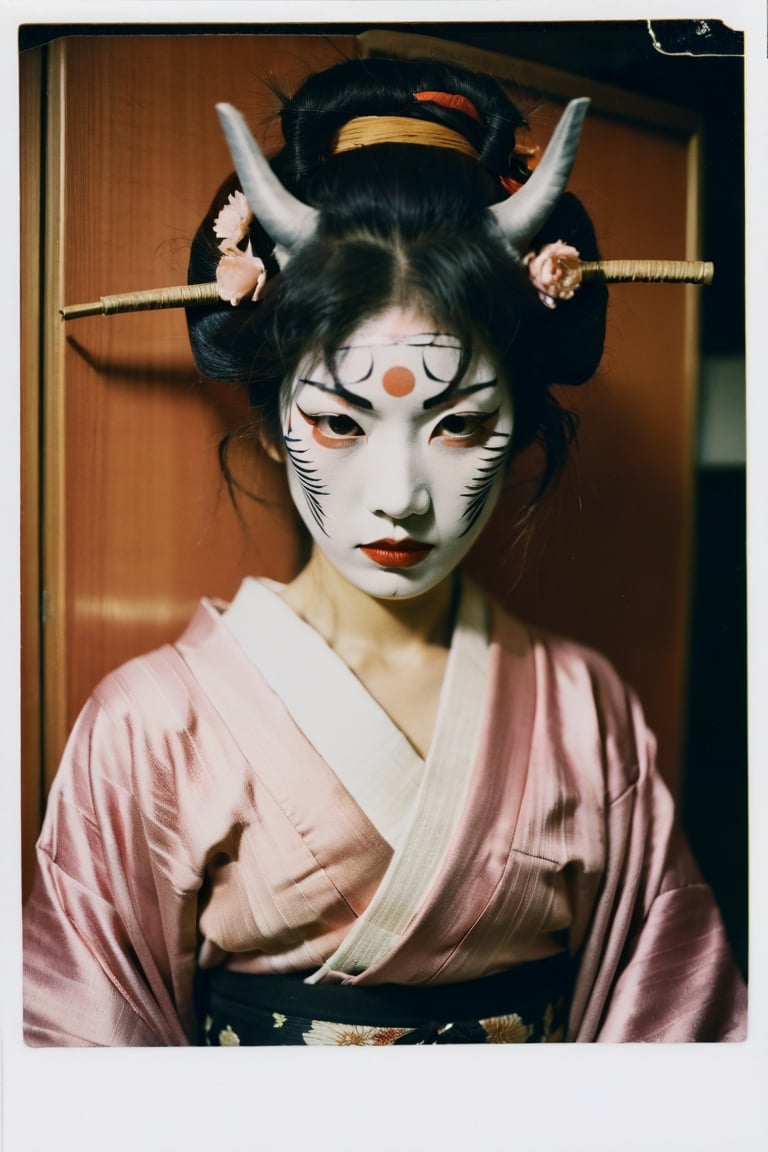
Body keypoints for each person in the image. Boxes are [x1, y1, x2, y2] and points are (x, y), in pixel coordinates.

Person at [23, 55, 746, 1046]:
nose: (398, 498)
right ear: (274, 419)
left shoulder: (588, 708)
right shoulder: (153, 724)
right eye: (338, 422)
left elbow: (671, 1042)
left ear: (525, 421)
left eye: (458, 425)